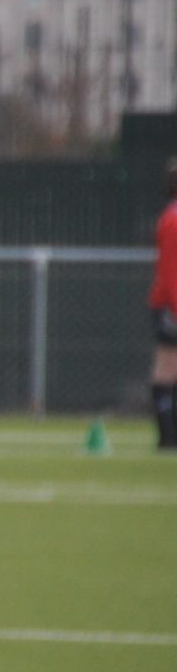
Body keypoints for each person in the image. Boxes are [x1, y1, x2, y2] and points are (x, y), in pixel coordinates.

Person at [151, 157, 177, 452]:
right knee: (166, 367)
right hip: (170, 304)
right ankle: (167, 435)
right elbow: (171, 271)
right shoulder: (172, 220)